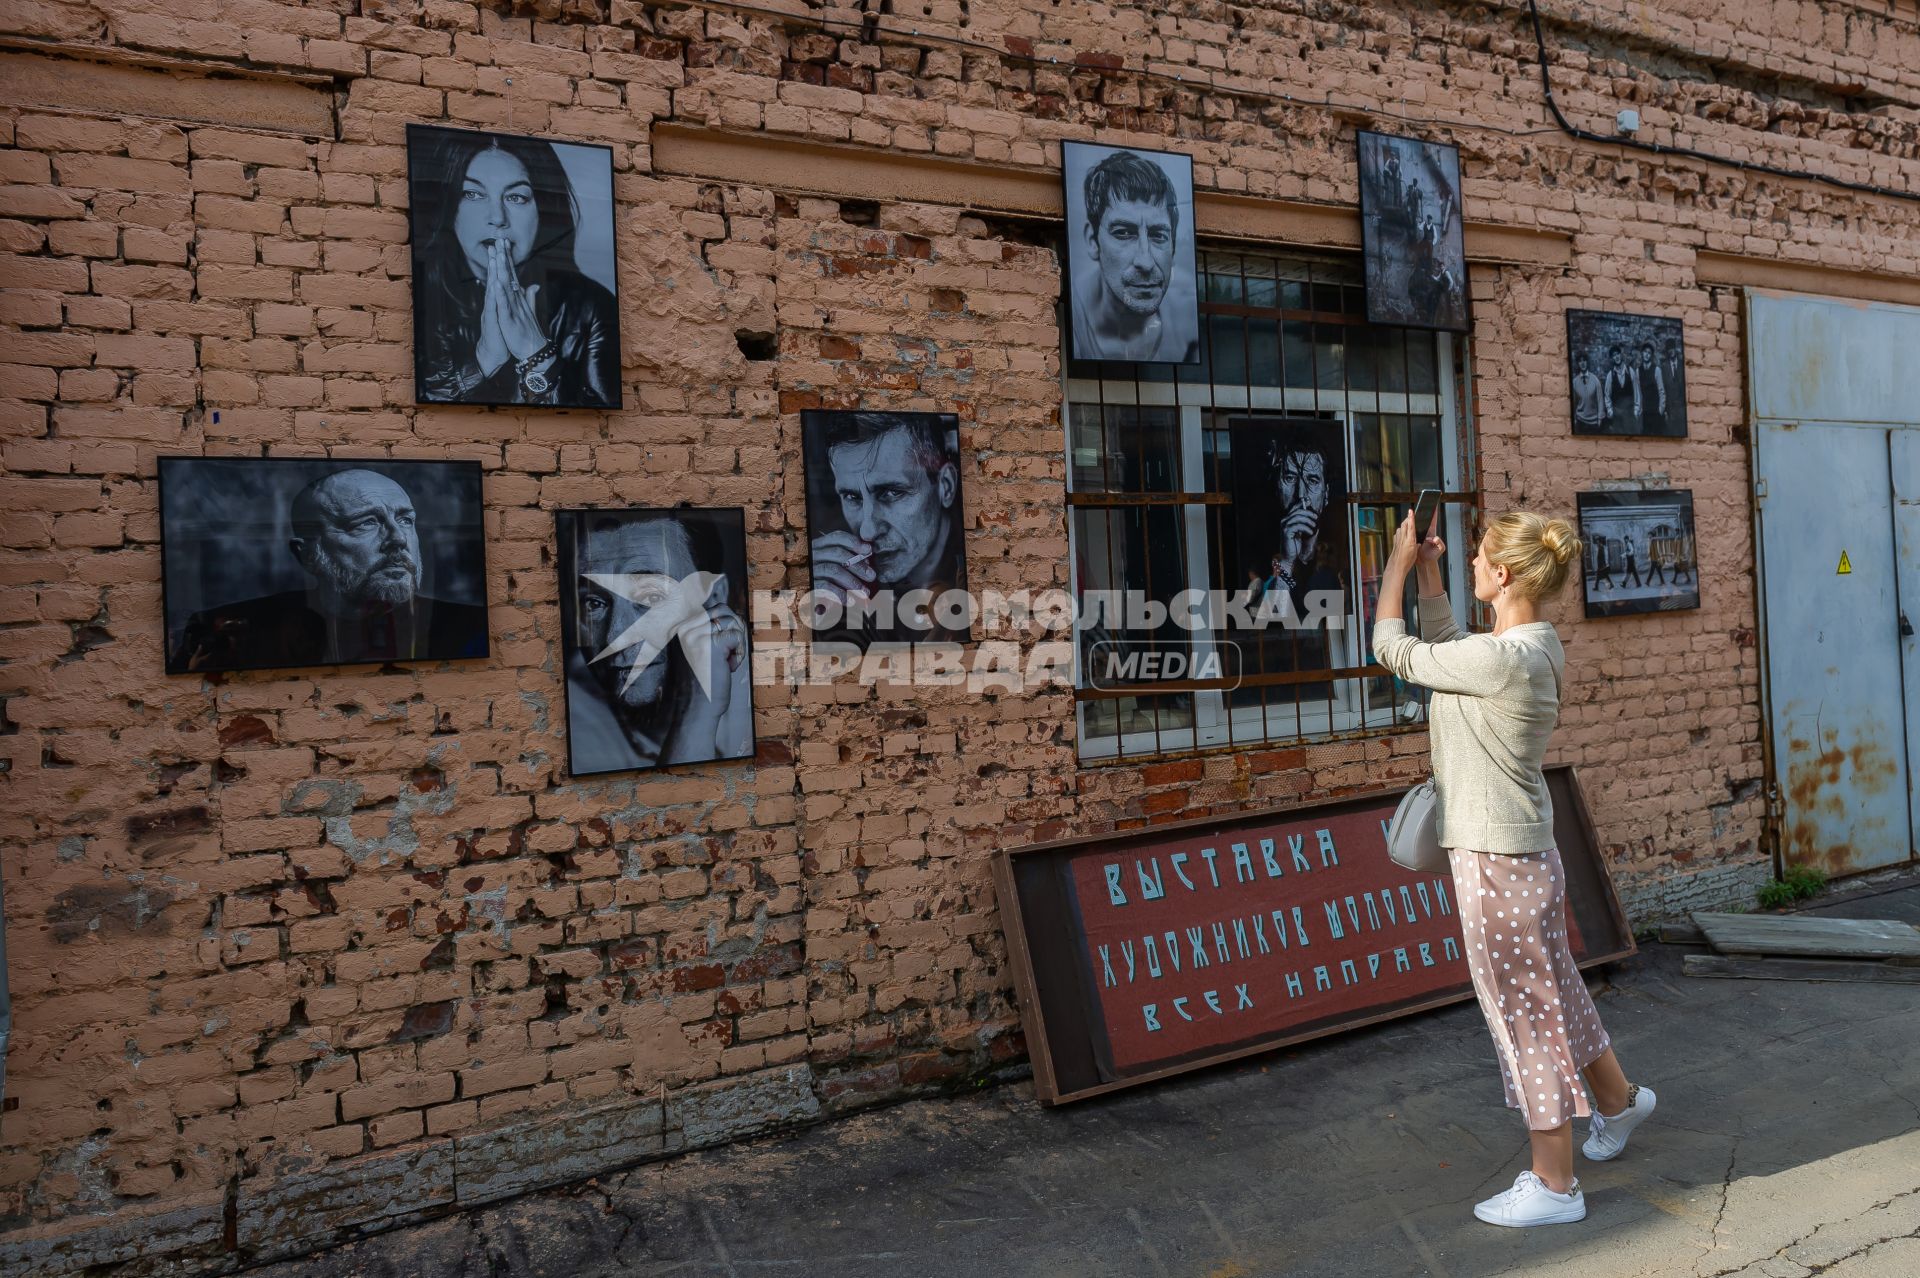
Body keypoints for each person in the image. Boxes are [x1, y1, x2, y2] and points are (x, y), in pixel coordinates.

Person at [1372, 509, 1657, 1228]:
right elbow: (1445, 645)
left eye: (1475, 561)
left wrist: (1398, 566)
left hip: (1497, 864)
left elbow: (1394, 648)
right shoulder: (1531, 645)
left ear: (1502, 577)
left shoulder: (1501, 660)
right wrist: (1432, 571)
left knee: (1524, 1017)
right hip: (1524, 853)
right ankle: (1619, 1104)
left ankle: (1554, 1184)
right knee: (1554, 991)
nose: (1469, 566)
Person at [172, 469, 488, 672]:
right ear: (308, 554)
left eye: (406, 520)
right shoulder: (237, 630)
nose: (398, 540)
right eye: (367, 523)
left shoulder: (469, 630)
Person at [412, 129, 619, 406]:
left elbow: (604, 422)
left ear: (541, 211)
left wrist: (536, 352)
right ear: (450, 206)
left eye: (516, 198)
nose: (497, 218)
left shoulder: (590, 306)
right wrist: (486, 357)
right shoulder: (416, 294)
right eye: (472, 194)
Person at [565, 513, 750, 771]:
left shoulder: (763, 682)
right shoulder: (569, 716)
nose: (614, 637)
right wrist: (698, 711)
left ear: (714, 598)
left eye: (651, 598)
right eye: (594, 604)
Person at [809, 413, 967, 644]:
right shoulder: (832, 577)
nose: (867, 531)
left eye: (892, 493)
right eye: (852, 497)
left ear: (946, 486)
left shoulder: (978, 577)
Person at [1071, 150, 1197, 363]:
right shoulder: (1069, 323)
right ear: (1093, 241)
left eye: (1158, 236)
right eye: (1123, 233)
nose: (1145, 262)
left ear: (1173, 246)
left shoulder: (1186, 321)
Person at [1604, 345, 1638, 434]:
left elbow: (1636, 391)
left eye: (1617, 354)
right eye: (1614, 355)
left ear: (1621, 355)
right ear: (1612, 358)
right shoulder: (1610, 375)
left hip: (1629, 413)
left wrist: (1636, 409)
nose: (1616, 357)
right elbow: (1607, 395)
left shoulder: (1630, 371)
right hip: (1617, 414)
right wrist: (1610, 410)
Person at [1636, 344, 1667, 434]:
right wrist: (1639, 409)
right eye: (1645, 352)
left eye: (1649, 353)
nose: (1646, 354)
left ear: (1651, 355)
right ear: (1642, 353)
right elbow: (1638, 392)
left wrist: (1661, 409)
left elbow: (1661, 391)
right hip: (1645, 412)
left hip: (1655, 411)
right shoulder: (1638, 371)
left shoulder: (1656, 370)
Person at [1571, 353, 1604, 430]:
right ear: (1578, 364)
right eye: (1580, 361)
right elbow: (1574, 402)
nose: (1582, 363)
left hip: (1594, 421)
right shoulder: (1575, 382)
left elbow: (1600, 400)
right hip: (1580, 421)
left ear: (1587, 362)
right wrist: (1574, 419)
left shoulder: (1595, 380)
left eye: (1584, 360)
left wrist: (1599, 419)